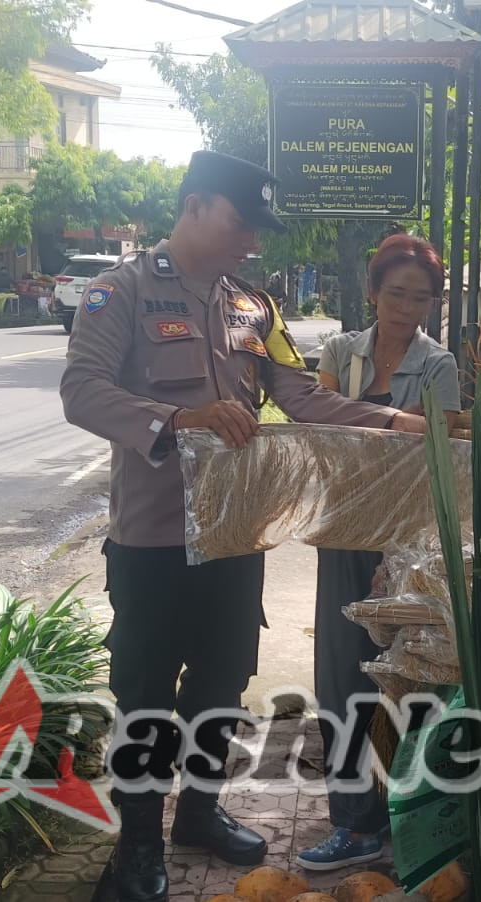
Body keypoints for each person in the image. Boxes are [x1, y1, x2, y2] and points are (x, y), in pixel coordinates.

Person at [60, 150, 429, 902]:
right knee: (145, 694)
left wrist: (394, 423)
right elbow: (82, 392)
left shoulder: (255, 309)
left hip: (235, 535)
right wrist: (177, 419)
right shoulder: (119, 291)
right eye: (241, 223)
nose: (252, 242)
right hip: (153, 541)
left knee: (224, 683)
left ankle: (198, 815)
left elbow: (302, 395)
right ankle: (138, 844)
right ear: (195, 206)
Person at [296, 234, 460, 871]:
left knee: (408, 675)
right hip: (343, 532)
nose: (407, 308)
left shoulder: (439, 364)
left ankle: (406, 815)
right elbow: (318, 431)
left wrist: (362, 422)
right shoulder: (341, 350)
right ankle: (354, 823)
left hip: (408, 544)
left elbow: (435, 452)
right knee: (341, 677)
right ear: (373, 292)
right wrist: (397, 421)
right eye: (396, 294)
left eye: (420, 298)